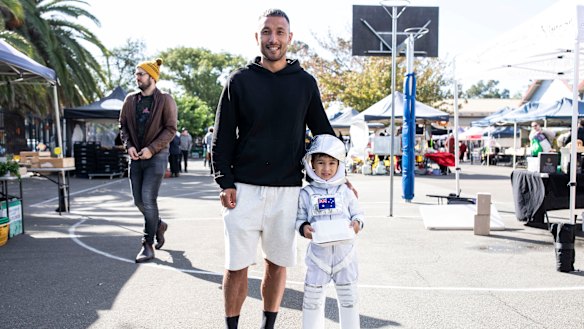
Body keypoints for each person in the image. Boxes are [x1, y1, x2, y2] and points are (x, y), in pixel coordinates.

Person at [211, 9, 336, 329]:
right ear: (257, 38)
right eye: (267, 32)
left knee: (277, 264)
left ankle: (269, 326)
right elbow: (222, 137)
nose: (273, 38)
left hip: (288, 191)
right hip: (243, 189)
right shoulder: (239, 81)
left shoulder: (305, 83)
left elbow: (324, 135)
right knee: (236, 266)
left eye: (280, 32)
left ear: (289, 38)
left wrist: (339, 178)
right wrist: (225, 181)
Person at [296, 134, 364, 329]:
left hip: (346, 256)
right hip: (318, 258)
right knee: (311, 300)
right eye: (321, 163)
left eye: (332, 163)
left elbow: (359, 213)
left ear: (339, 164)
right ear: (312, 164)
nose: (326, 169)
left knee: (349, 300)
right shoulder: (306, 193)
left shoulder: (345, 191)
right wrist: (303, 228)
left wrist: (357, 223)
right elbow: (300, 218)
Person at [119, 58, 177, 263]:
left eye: (141, 74)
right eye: (136, 74)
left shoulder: (165, 100)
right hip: (136, 157)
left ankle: (147, 244)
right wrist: (130, 147)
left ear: (152, 77)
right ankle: (159, 224)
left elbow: (171, 129)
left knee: (148, 198)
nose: (137, 77)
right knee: (138, 201)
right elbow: (123, 126)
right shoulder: (130, 100)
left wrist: (152, 149)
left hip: (157, 156)